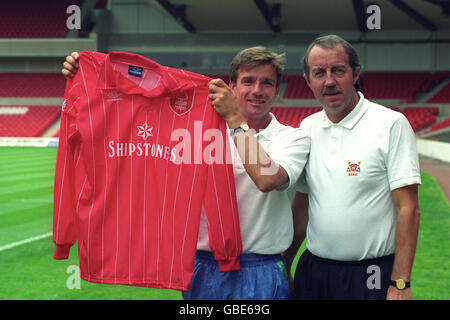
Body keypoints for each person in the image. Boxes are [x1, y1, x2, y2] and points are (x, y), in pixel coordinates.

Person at [61, 46, 310, 299]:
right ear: (232, 87)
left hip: (261, 267)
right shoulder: (197, 132)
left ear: (277, 92)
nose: (257, 90)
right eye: (248, 81)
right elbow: (146, 100)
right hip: (202, 264)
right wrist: (88, 72)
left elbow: (268, 179)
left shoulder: (292, 138)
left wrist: (234, 118)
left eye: (266, 83)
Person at [284, 34, 421, 300]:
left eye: (338, 70)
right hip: (315, 272)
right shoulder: (307, 128)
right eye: (319, 73)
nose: (330, 81)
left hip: (371, 274)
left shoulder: (391, 124)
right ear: (308, 81)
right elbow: (302, 206)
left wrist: (401, 283)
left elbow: (409, 208)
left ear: (355, 74)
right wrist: (285, 264)